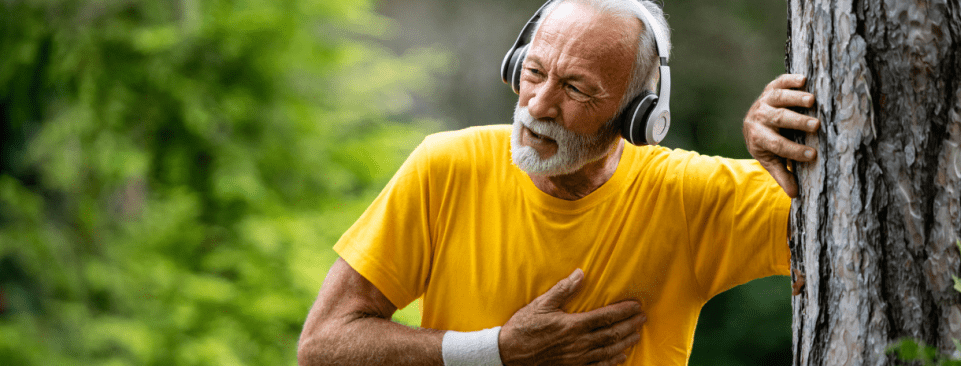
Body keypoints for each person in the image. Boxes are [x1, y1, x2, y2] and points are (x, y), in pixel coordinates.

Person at [297, 0, 819, 365]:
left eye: (576, 88)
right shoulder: (445, 165)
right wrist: (496, 351)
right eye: (534, 72)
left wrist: (774, 128)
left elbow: (848, 207)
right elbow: (323, 345)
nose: (538, 105)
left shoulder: (688, 196)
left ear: (638, 116)